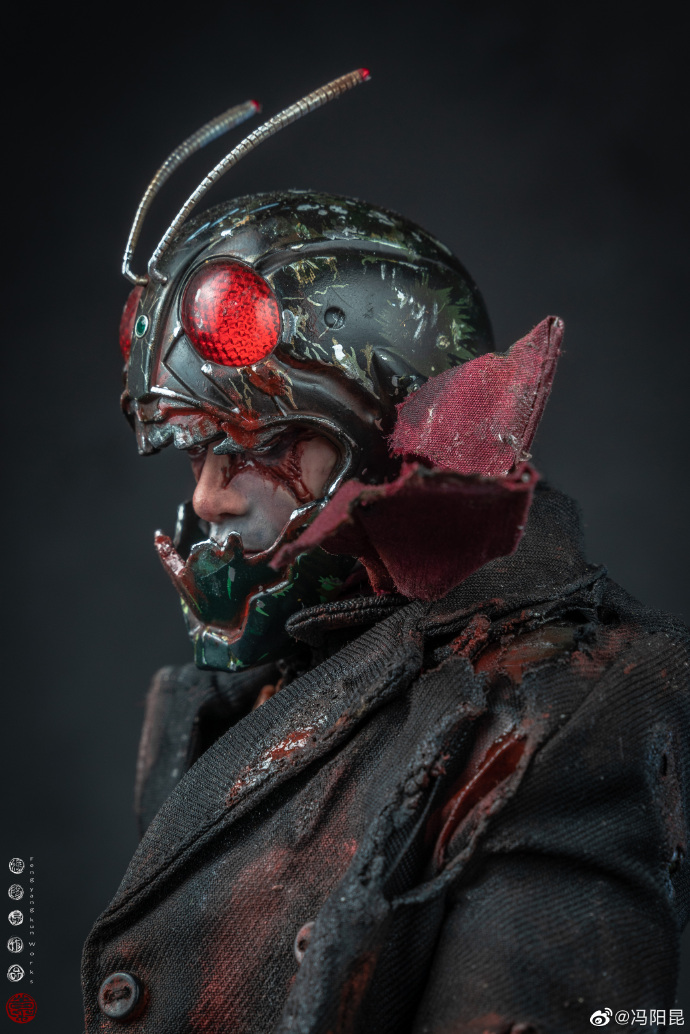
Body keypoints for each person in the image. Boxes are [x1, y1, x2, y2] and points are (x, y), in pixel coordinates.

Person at [82, 72, 690, 1034]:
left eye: (265, 446)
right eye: (201, 453)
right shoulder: (237, 695)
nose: (208, 499)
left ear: (377, 432)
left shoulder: (573, 701)